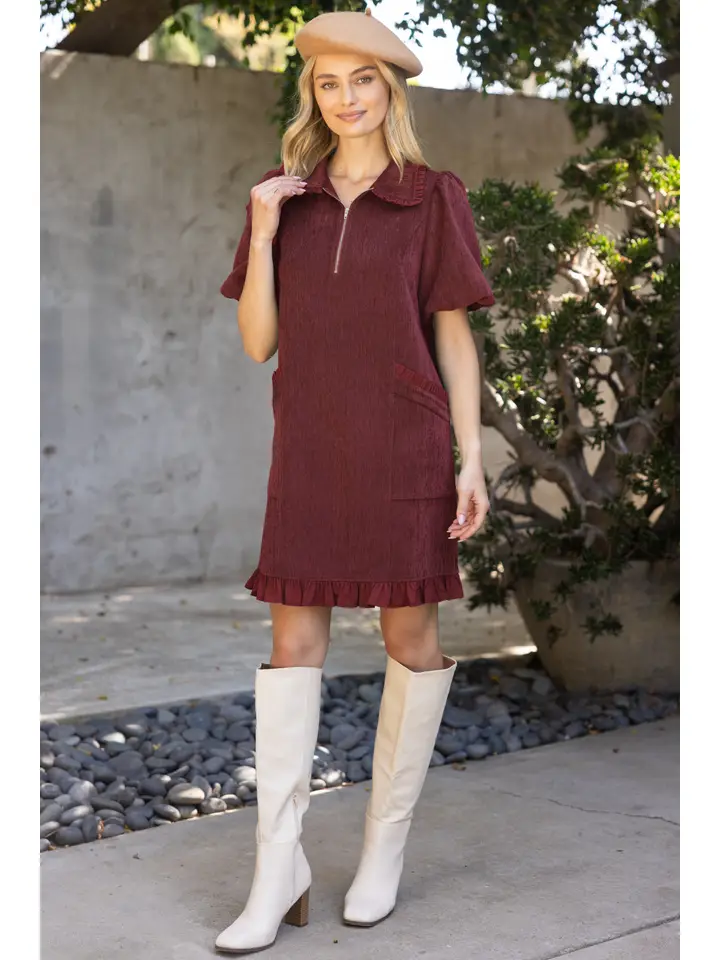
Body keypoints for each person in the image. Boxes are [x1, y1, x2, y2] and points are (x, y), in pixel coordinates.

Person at [214, 7, 495, 955]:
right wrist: (262, 231)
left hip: (405, 445)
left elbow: (454, 334)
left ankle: (384, 848)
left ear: (390, 89)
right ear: (314, 96)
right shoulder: (281, 199)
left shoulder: (431, 195)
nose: (346, 99)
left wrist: (470, 455)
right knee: (292, 646)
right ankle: (277, 870)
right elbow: (258, 343)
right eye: (328, 84)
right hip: (309, 449)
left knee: (411, 637)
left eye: (362, 80)